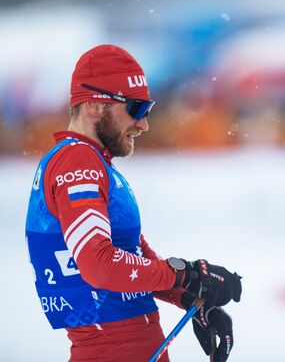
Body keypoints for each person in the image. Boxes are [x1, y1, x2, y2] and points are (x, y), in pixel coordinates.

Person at [25, 45, 242, 362]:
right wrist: (181, 275)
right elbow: (100, 266)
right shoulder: (77, 162)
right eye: (137, 109)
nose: (144, 124)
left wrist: (190, 294)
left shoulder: (91, 163)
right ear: (96, 105)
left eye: (148, 110)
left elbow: (131, 259)